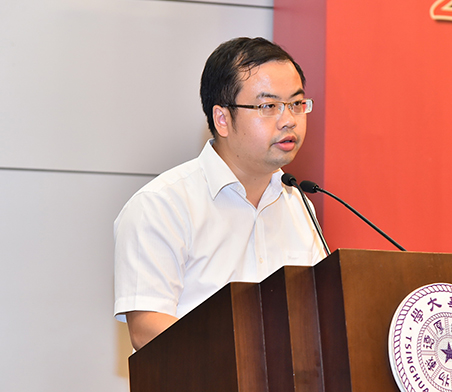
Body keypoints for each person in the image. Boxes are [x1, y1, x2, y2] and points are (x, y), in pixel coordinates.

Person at [113, 37, 326, 351]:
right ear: (222, 119)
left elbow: (320, 312)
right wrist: (246, 354)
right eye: (269, 107)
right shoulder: (161, 205)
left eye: (296, 104)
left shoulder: (298, 204)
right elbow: (147, 328)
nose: (289, 120)